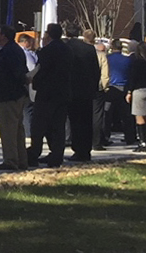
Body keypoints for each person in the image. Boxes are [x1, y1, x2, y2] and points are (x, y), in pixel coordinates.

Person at [27, 23, 71, 166]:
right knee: (58, 126)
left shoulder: (46, 51)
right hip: (63, 93)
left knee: (39, 125)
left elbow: (42, 71)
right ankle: (56, 155)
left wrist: (35, 83)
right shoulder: (67, 50)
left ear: (49, 35)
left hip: (47, 94)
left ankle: (34, 153)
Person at [63, 23, 104, 162]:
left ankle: (77, 149)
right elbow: (95, 70)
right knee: (86, 121)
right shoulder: (89, 49)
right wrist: (93, 86)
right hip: (87, 90)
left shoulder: (67, 48)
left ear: (66, 33)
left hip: (72, 89)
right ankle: (85, 150)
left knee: (74, 122)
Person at [0, 25, 29, 171]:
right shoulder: (16, 49)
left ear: (4, 36)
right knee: (18, 129)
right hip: (17, 94)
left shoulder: (8, 51)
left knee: (8, 129)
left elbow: (14, 73)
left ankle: (11, 160)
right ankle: (21, 159)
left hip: (8, 95)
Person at [106, 39, 135, 145]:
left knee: (107, 114)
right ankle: (130, 137)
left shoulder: (107, 59)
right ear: (122, 48)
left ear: (112, 48)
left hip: (110, 88)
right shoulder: (127, 60)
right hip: (123, 88)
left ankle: (105, 136)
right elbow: (131, 75)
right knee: (126, 115)